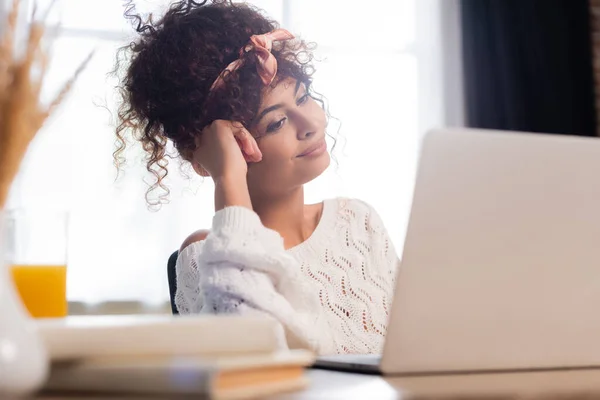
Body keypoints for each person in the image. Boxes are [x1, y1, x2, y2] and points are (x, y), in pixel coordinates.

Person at [114, 0, 399, 355]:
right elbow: (257, 351)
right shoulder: (206, 257)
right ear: (217, 149)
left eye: (304, 97)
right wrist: (228, 179)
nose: (310, 125)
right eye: (276, 122)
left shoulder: (359, 223)